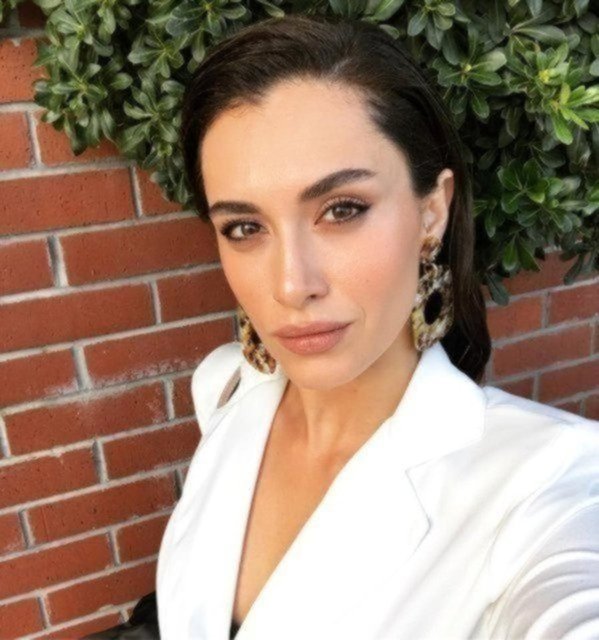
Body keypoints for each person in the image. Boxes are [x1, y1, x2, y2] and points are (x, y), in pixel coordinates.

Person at [155, 13, 599, 640]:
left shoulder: (551, 480)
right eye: (245, 227)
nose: (292, 285)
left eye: (342, 210)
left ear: (431, 212)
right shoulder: (225, 388)